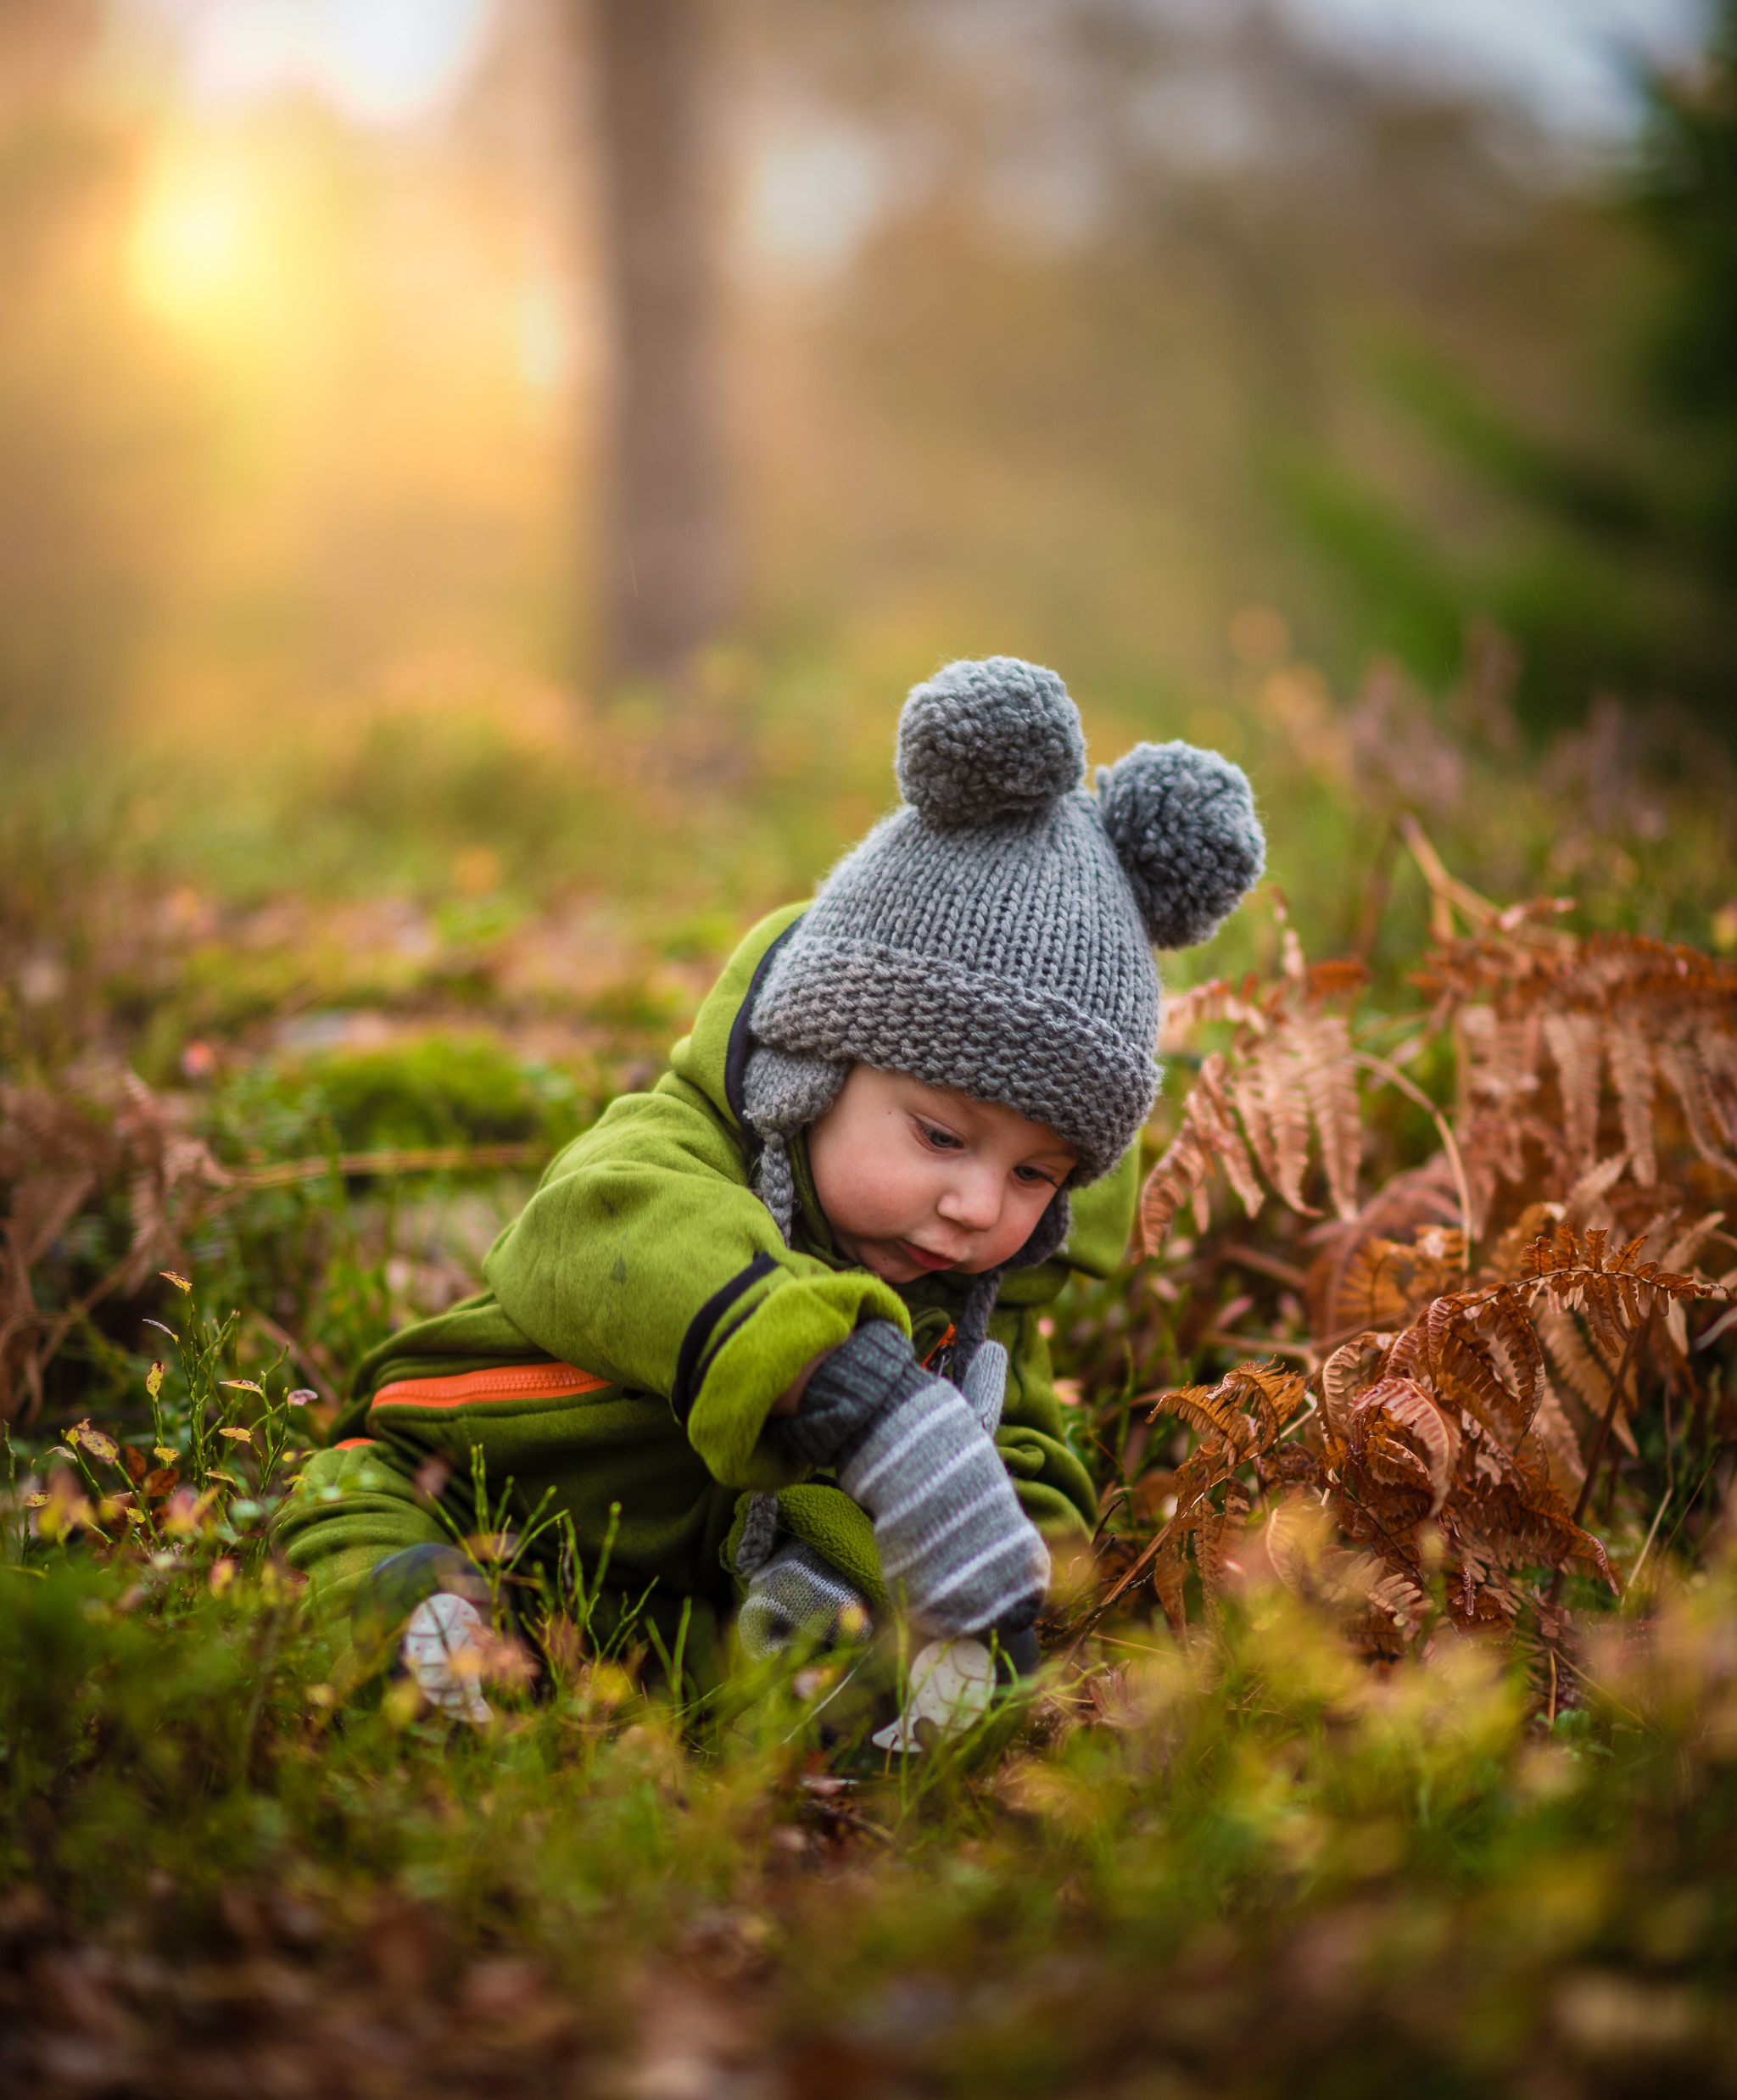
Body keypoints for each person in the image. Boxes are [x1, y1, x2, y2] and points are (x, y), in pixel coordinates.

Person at [276, 656, 1264, 1723]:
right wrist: (850, 1389)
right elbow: (603, 1231)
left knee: (823, 1655)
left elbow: (1017, 1442)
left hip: (675, 1594)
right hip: (467, 1477)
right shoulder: (671, 1154)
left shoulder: (976, 1296)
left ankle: (789, 1695)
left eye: (1034, 1173)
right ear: (814, 1070)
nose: (978, 1206)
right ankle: (421, 1634)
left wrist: (1000, 1572)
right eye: (940, 1136)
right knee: (360, 1521)